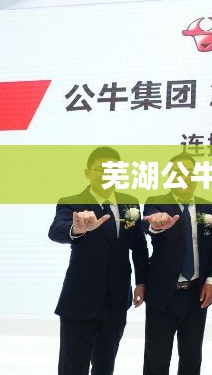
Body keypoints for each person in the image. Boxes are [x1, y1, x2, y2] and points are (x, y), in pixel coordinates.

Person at [48, 146, 148, 375]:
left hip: (116, 300)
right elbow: (56, 230)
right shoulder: (73, 203)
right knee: (72, 368)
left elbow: (139, 246)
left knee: (105, 366)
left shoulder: (130, 203)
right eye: (101, 169)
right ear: (87, 173)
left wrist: (141, 282)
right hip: (79, 301)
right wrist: (77, 228)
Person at [142, 152, 212, 375]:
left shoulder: (208, 208)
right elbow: (149, 225)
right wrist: (157, 224)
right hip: (162, 295)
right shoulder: (156, 203)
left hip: (196, 295)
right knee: (156, 361)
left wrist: (211, 281)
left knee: (191, 360)